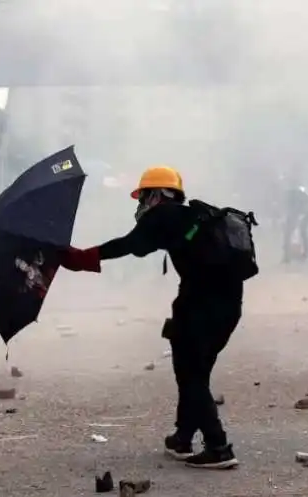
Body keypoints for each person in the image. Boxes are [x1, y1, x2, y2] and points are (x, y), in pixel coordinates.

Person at [59, 165, 257, 469]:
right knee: (196, 372)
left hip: (199, 306)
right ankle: (182, 437)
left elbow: (131, 245)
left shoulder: (163, 216)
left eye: (143, 196)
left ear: (157, 194)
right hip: (229, 306)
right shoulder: (196, 216)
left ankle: (218, 447)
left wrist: (83, 257)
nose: (140, 204)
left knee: (191, 375)